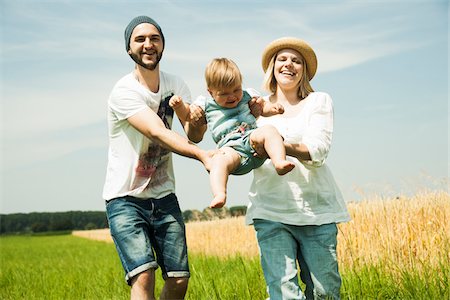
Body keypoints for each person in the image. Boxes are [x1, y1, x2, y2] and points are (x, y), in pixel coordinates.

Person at [102, 16, 213, 300]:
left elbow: (193, 132)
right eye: (140, 40)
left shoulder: (176, 83)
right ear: (129, 49)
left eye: (154, 38)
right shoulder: (123, 91)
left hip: (164, 197)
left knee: (179, 280)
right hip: (125, 199)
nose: (148, 45)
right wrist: (203, 157)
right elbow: (158, 132)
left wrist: (198, 119)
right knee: (143, 275)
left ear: (163, 44)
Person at [245, 37, 351, 299]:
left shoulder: (319, 101)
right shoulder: (254, 109)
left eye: (296, 61)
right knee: (283, 293)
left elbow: (318, 149)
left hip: (315, 211)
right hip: (270, 210)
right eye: (282, 59)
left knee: (326, 292)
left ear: (304, 70)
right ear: (272, 67)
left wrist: (277, 144)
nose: (288, 64)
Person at [169, 58, 295, 208]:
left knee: (269, 130)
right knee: (218, 160)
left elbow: (263, 108)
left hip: (251, 139)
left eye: (236, 90)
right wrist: (179, 107)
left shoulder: (248, 95)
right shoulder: (205, 103)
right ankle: (219, 193)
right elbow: (188, 116)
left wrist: (273, 109)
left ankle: (279, 161)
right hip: (230, 149)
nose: (232, 96)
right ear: (211, 92)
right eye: (224, 93)